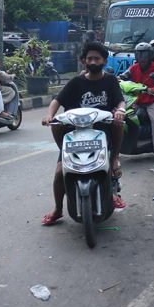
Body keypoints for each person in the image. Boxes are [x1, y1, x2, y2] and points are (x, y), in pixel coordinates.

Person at [39, 42, 127, 225]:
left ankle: (113, 159)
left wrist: (120, 111)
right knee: (58, 173)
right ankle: (58, 209)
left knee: (119, 123)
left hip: (102, 132)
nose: (93, 62)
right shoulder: (76, 82)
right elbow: (57, 101)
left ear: (104, 60)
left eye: (97, 58)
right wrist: (49, 115)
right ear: (83, 61)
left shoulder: (110, 80)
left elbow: (120, 102)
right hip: (76, 135)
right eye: (90, 59)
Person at [119, 43, 154, 162]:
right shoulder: (134, 68)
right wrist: (116, 79)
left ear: (150, 55)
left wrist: (153, 90)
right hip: (137, 100)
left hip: (152, 101)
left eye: (145, 55)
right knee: (121, 117)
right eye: (139, 55)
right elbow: (123, 76)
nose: (142, 58)